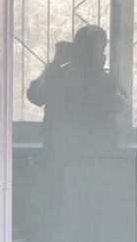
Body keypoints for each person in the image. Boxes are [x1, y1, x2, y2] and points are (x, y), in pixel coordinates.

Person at [27, 25, 124, 154]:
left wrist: (55, 65)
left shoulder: (105, 81)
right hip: (63, 153)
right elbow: (35, 96)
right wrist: (55, 64)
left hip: (94, 153)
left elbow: (118, 105)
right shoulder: (59, 77)